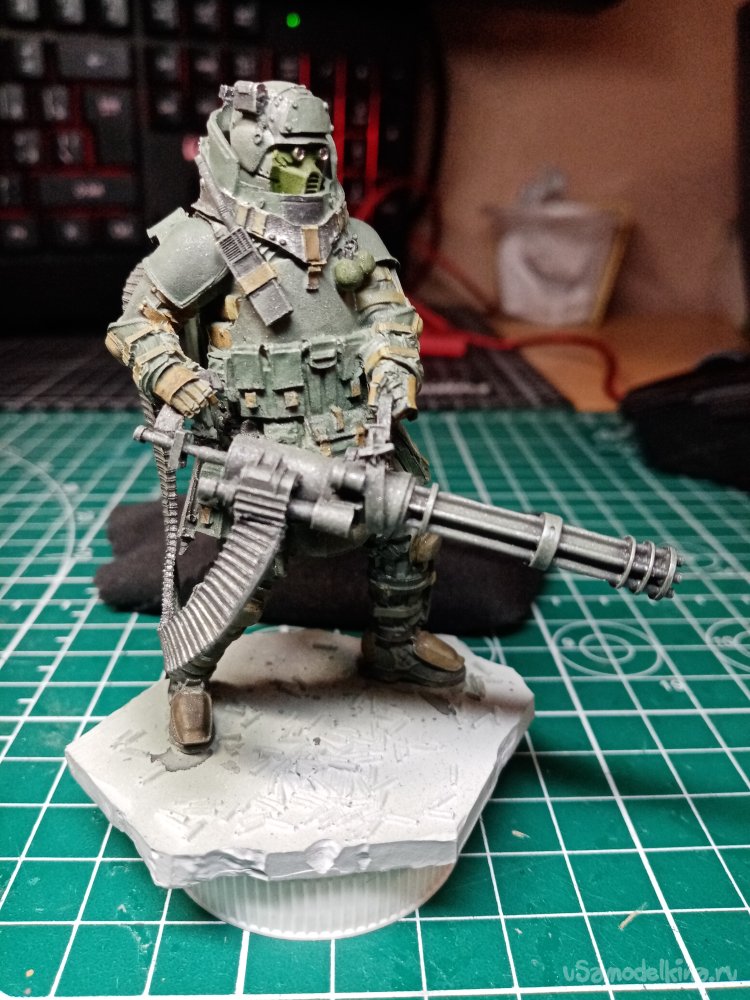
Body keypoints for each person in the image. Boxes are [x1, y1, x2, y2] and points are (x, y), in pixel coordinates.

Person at [105, 80, 464, 752]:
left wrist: (392, 371)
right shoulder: (208, 240)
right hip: (259, 440)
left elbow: (390, 317)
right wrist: (177, 378)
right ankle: (189, 675)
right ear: (246, 156)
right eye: (288, 155)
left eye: (315, 153)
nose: (308, 169)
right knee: (248, 575)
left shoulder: (352, 238)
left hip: (355, 431)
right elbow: (138, 322)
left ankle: (395, 645)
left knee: (409, 530)